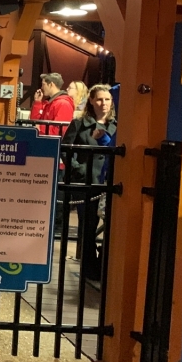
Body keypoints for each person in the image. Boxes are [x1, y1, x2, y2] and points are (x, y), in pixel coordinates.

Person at [62, 84, 117, 283]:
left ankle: (104, 266)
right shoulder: (79, 124)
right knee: (88, 226)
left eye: (107, 99)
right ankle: (89, 268)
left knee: (112, 226)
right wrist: (79, 169)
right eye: (100, 99)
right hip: (86, 182)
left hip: (110, 182)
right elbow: (65, 148)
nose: (103, 103)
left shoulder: (119, 124)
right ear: (91, 101)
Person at [29, 72, 75, 137]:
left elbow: (58, 130)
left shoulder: (63, 104)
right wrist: (37, 102)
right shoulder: (51, 102)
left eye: (43, 84)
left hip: (52, 144)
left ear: (51, 84)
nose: (42, 87)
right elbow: (35, 121)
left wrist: (39, 127)